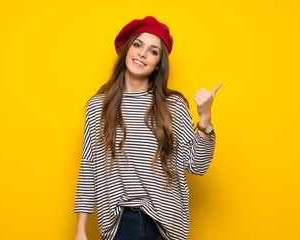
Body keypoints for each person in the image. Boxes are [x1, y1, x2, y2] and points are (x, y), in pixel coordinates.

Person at [74, 16, 222, 240]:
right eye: (137, 45)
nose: (143, 54)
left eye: (153, 51)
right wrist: (80, 230)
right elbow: (89, 167)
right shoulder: (98, 106)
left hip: (166, 224)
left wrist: (204, 120)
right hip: (119, 222)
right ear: (127, 50)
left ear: (158, 64)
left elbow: (196, 166)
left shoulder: (172, 106)